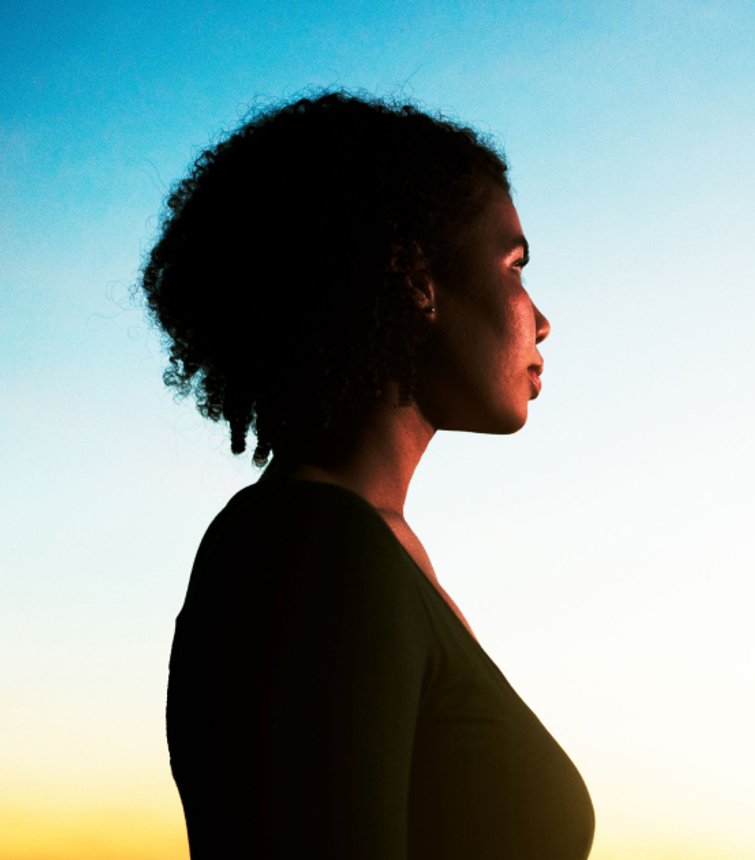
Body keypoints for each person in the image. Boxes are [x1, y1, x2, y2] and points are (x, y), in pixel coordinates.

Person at [142, 92, 594, 859]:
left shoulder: (359, 546)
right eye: (514, 266)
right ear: (415, 277)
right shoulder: (312, 548)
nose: (539, 319)